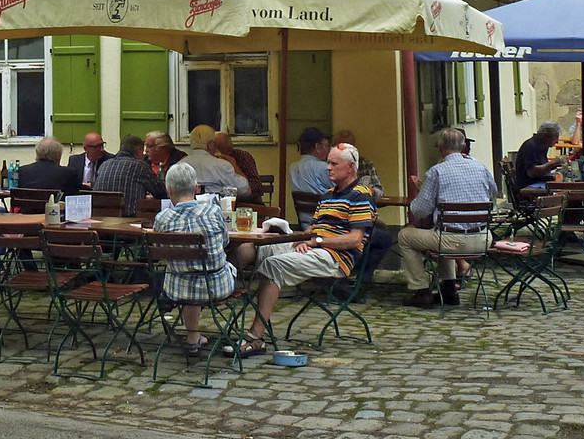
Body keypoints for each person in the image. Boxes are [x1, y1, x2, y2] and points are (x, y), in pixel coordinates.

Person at [227, 143, 375, 358]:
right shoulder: (327, 194)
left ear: (350, 167)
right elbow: (314, 228)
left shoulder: (361, 194)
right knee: (251, 247)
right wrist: (303, 239)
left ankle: (256, 338)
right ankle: (215, 298)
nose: (328, 168)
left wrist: (318, 241)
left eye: (334, 164)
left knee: (273, 265)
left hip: (336, 258)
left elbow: (354, 239)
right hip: (315, 246)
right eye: (328, 163)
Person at [396, 128, 497, 308]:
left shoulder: (436, 172)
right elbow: (493, 195)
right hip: (482, 239)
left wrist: (419, 193)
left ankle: (421, 290)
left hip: (450, 240)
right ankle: (449, 289)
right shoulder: (481, 167)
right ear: (464, 146)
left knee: (405, 236)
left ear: (440, 147)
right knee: (444, 230)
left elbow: (420, 211)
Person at [153, 161, 236, 357]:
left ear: (169, 189)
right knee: (229, 262)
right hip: (216, 286)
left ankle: (193, 338)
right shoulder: (213, 211)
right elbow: (225, 242)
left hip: (177, 287)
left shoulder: (162, 219)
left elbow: (160, 252)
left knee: (188, 273)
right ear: (196, 188)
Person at [92, 135, 167, 214]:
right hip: (129, 219)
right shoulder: (140, 166)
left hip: (101, 219)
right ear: (138, 150)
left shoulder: (104, 164)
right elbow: (161, 192)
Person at [182, 125, 250, 195]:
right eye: (215, 144)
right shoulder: (222, 165)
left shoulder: (178, 167)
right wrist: (234, 165)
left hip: (187, 205)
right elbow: (245, 190)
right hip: (216, 205)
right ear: (210, 145)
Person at [16, 136, 81, 194]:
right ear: (58, 155)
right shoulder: (69, 173)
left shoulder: (23, 171)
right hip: (55, 207)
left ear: (37, 152)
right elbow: (72, 198)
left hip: (29, 207)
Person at [513, 122, 566, 193]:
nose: (557, 141)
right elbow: (531, 173)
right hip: (528, 185)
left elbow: (543, 168)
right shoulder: (530, 146)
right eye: (556, 137)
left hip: (538, 181)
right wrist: (552, 163)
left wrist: (557, 164)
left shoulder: (543, 146)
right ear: (546, 136)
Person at [213, 132, 263, 196]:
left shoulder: (243, 157)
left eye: (219, 148)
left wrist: (234, 166)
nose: (216, 152)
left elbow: (256, 186)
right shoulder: (213, 161)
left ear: (229, 147)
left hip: (247, 200)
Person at [288, 127, 331, 199]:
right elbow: (344, 190)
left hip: (302, 209)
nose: (329, 150)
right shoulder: (325, 167)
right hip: (325, 209)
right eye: (327, 146)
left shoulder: (292, 168)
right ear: (317, 147)